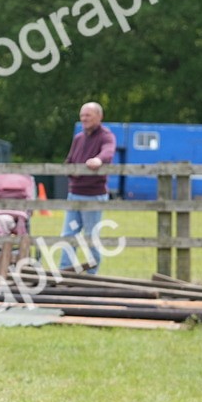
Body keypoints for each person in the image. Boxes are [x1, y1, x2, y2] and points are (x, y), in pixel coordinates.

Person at [59, 101, 116, 273]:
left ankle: (93, 274)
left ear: (99, 117)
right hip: (74, 193)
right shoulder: (78, 138)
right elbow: (69, 161)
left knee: (91, 236)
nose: (84, 118)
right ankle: (64, 272)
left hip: (93, 194)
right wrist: (71, 170)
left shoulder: (106, 135)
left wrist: (98, 160)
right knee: (68, 235)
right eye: (82, 115)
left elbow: (108, 151)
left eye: (88, 115)